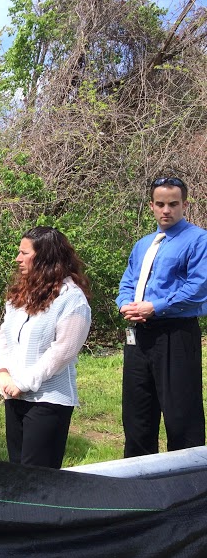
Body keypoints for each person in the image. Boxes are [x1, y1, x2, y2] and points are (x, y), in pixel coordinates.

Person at [116, 177, 207, 457]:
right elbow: (129, 281)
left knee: (181, 415)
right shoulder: (144, 244)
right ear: (151, 206)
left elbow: (198, 288)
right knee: (137, 414)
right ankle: (138, 483)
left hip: (175, 333)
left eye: (173, 204)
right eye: (160, 204)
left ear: (185, 205)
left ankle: (188, 484)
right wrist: (124, 304)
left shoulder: (198, 240)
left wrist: (154, 306)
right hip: (139, 335)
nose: (166, 210)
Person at [0, 227, 92, 468]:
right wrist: (3, 372)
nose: (18, 259)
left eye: (24, 253)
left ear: (45, 257)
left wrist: (22, 383)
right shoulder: (21, 294)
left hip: (49, 402)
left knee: (39, 478)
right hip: (13, 396)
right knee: (18, 473)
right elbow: (5, 338)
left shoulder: (72, 299)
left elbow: (61, 353)